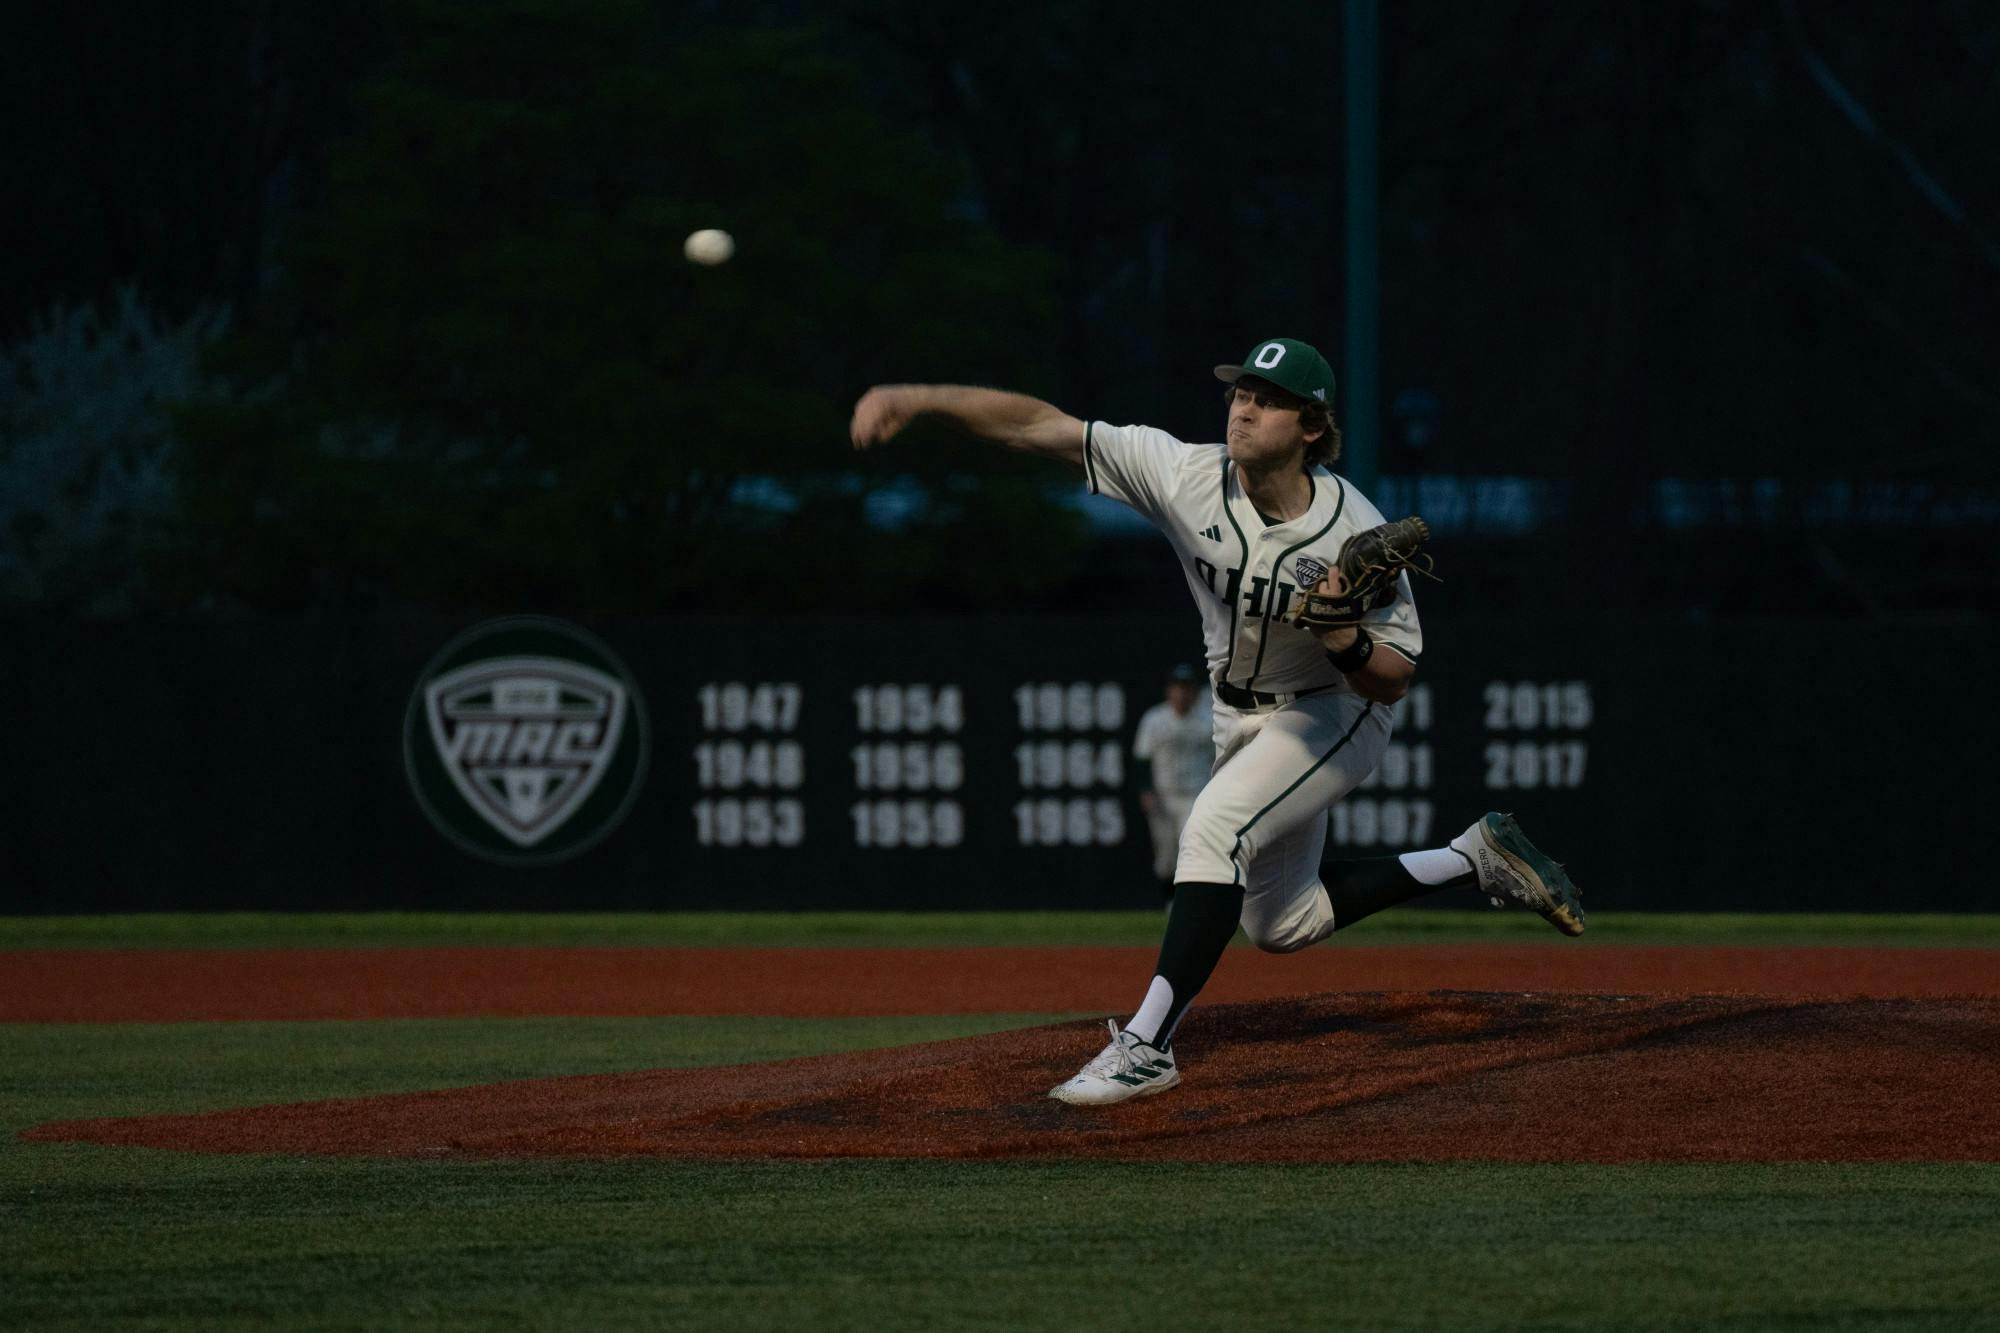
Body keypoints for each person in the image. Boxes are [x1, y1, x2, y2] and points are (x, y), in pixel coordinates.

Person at [848, 336, 1585, 1107]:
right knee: (1282, 922)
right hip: (1234, 712)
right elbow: (1042, 426)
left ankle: (1147, 1045)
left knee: (1213, 831)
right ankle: (1475, 856)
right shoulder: (1184, 474)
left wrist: (1344, 636)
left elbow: (1395, 679)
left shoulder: (1349, 528)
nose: (1244, 407)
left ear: (1310, 426)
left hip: (1333, 711)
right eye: (1240, 392)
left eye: (1267, 400)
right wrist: (919, 397)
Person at [1132, 664, 1213, 902]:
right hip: (1163, 795)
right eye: (1178, 688)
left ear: (1195, 692)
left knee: (1192, 849)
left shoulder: (1207, 720)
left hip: (1195, 795)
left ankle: (1188, 903)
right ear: (1169, 691)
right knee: (1167, 856)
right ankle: (1170, 902)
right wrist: (1145, 790)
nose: (1182, 693)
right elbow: (1142, 758)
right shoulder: (1155, 719)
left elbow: (1220, 759)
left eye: (1187, 688)